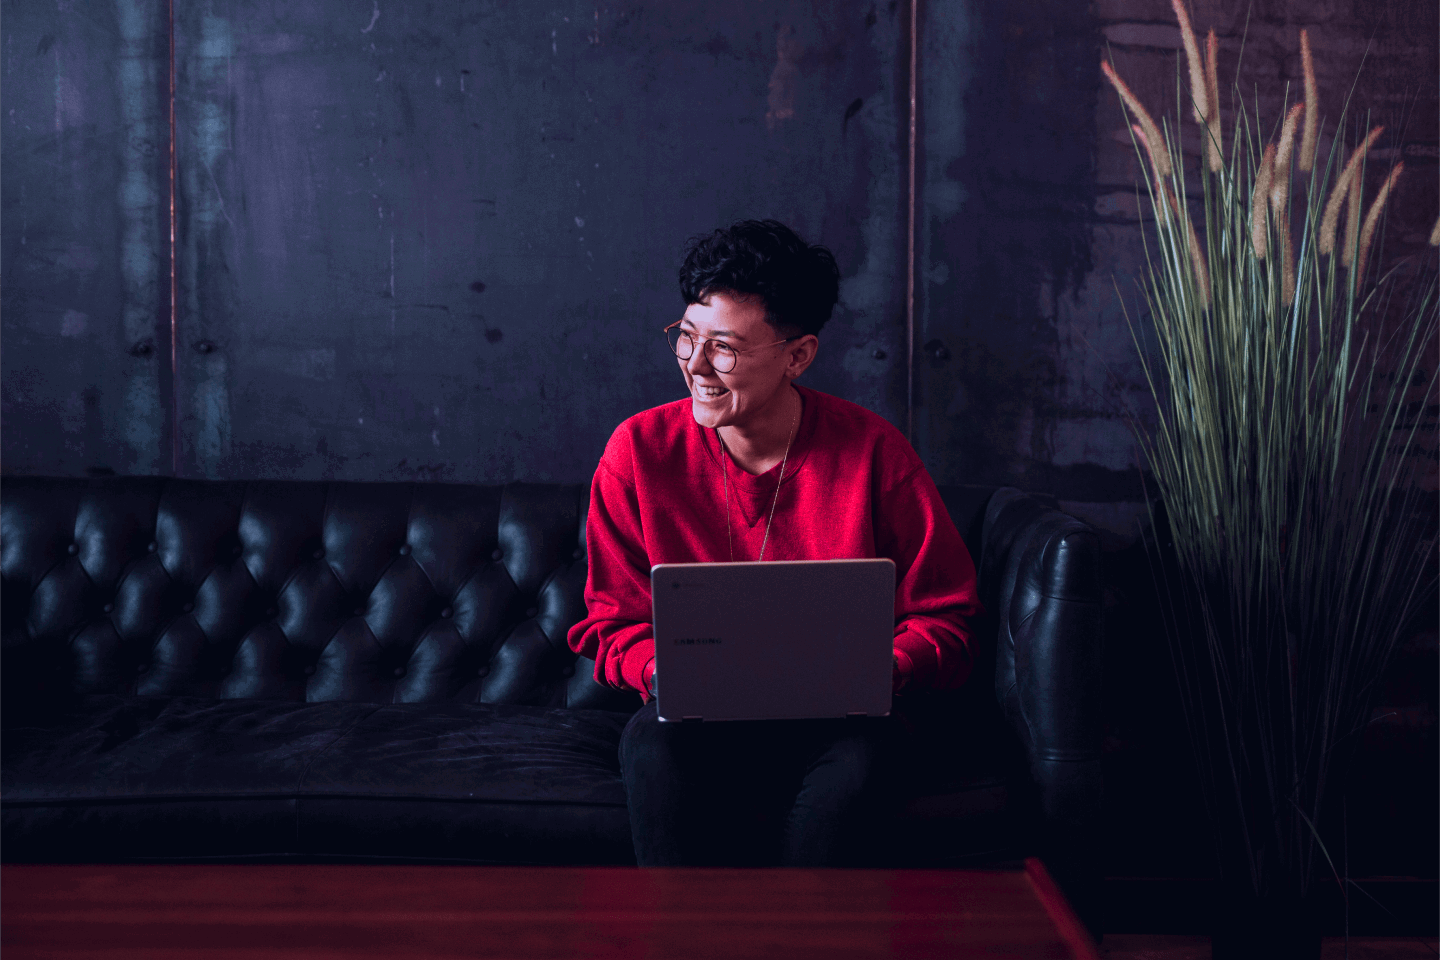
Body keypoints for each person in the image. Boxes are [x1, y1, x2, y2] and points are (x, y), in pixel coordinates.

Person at [567, 219, 981, 866]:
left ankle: (802, 924)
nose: (695, 365)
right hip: (693, 724)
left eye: (724, 348)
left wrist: (885, 668)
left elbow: (947, 617)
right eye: (687, 336)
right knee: (651, 748)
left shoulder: (874, 453)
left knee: (862, 764)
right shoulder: (638, 452)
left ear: (798, 356)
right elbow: (611, 622)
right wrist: (661, 671)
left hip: (844, 724)